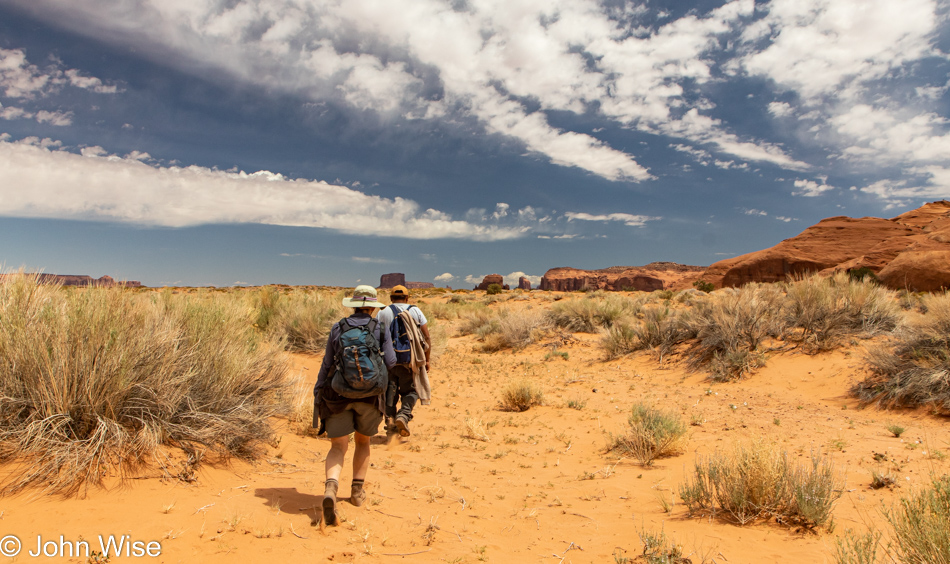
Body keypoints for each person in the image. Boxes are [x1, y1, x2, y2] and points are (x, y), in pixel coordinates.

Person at [313, 285, 395, 526]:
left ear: (353, 305)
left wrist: (318, 390)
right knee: (363, 441)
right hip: (370, 397)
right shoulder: (380, 328)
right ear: (372, 307)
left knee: (338, 446)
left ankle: (331, 489)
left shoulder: (338, 328)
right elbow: (390, 361)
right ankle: (357, 493)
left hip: (338, 394)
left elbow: (327, 363)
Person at [377, 285, 430, 437]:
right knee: (412, 391)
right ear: (407, 298)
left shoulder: (383, 312)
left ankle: (391, 425)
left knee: (389, 393)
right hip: (410, 360)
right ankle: (404, 415)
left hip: (389, 361)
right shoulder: (415, 310)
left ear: (391, 298)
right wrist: (427, 359)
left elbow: (376, 335)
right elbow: (427, 337)